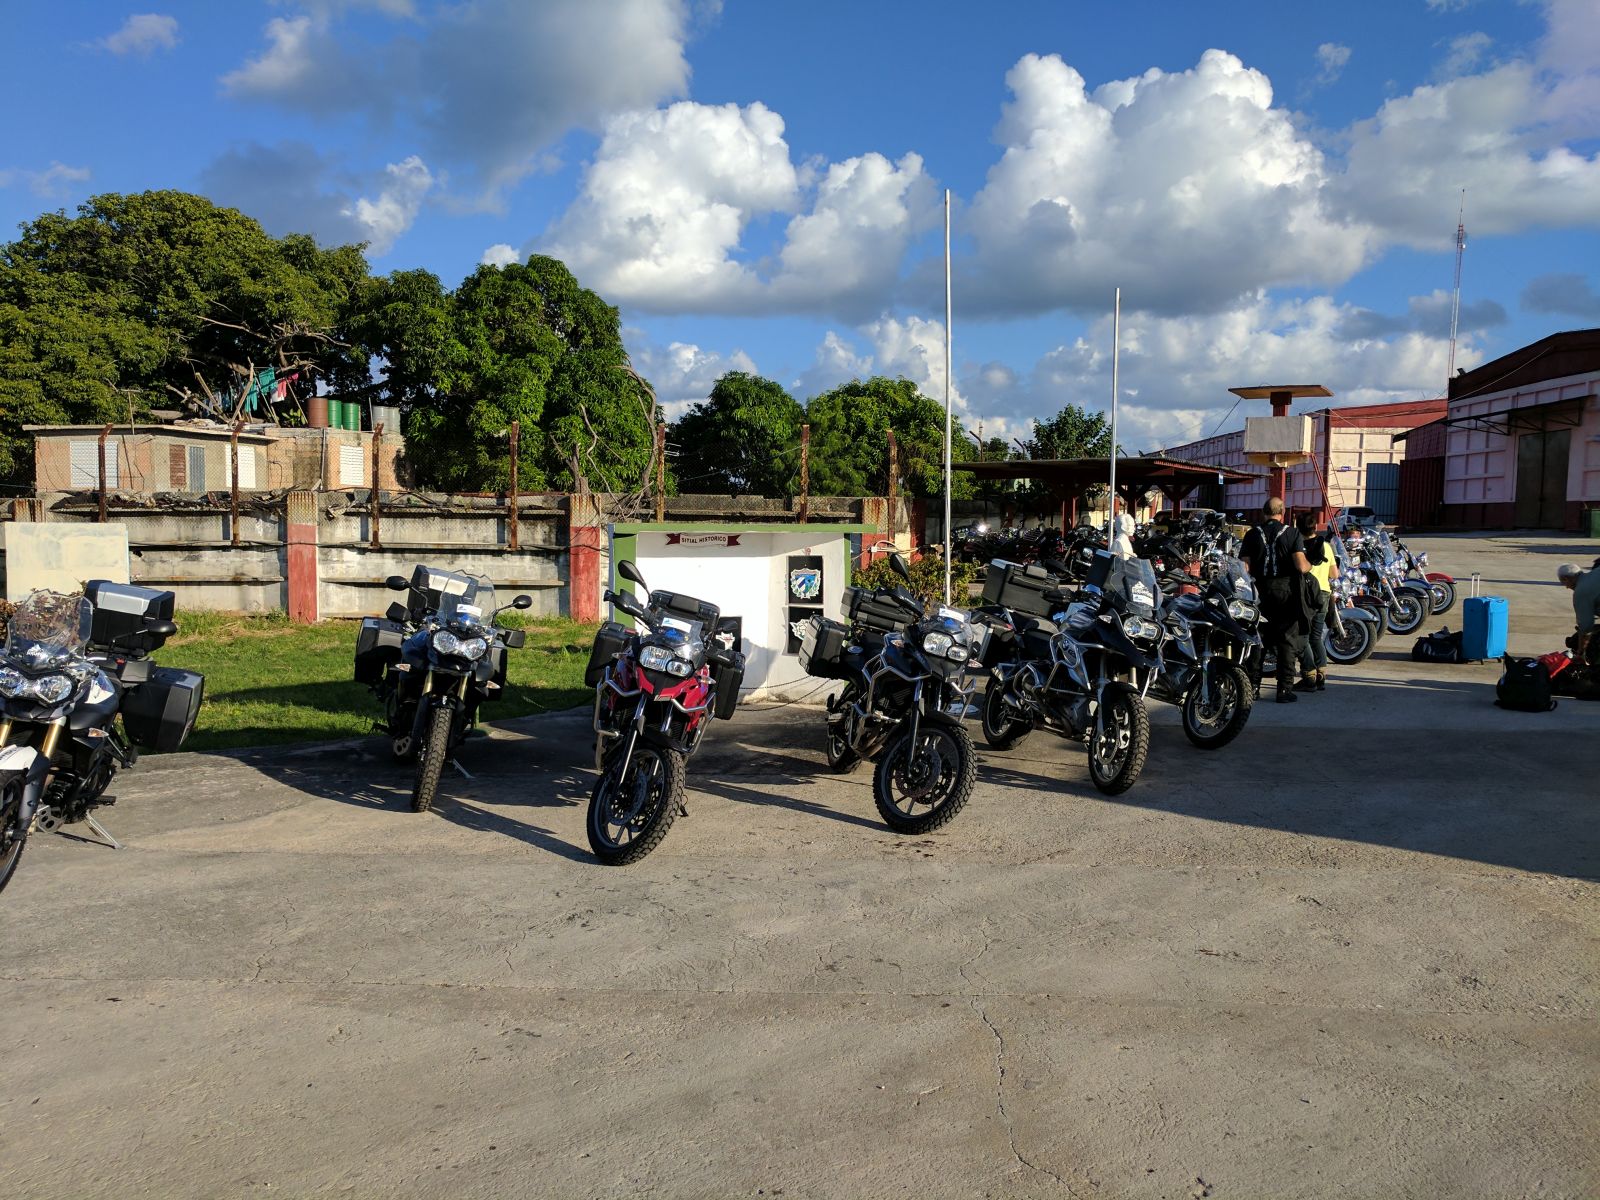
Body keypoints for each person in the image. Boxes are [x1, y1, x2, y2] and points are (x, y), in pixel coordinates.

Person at [1240, 497, 1311, 703]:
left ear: (1264, 512)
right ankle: (1284, 689)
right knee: (1286, 641)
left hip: (1259, 591)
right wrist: (1310, 565)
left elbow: (1244, 567)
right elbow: (1301, 565)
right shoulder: (1292, 533)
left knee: (1258, 639)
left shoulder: (1252, 534)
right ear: (1283, 512)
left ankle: (1253, 687)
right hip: (1286, 592)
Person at [1294, 511, 1338, 691]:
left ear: (1298, 528)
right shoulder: (1326, 546)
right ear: (1315, 527)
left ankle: (1309, 674)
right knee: (1316, 637)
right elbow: (1334, 574)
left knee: (1301, 636)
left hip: (1306, 595)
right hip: (1324, 594)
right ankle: (1321, 675)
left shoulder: (1298, 546)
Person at [1558, 561, 1600, 654]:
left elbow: (1586, 629)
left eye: (1564, 584)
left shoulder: (1581, 592)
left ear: (1566, 579)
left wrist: (1580, 652)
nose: (1567, 587)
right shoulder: (1596, 571)